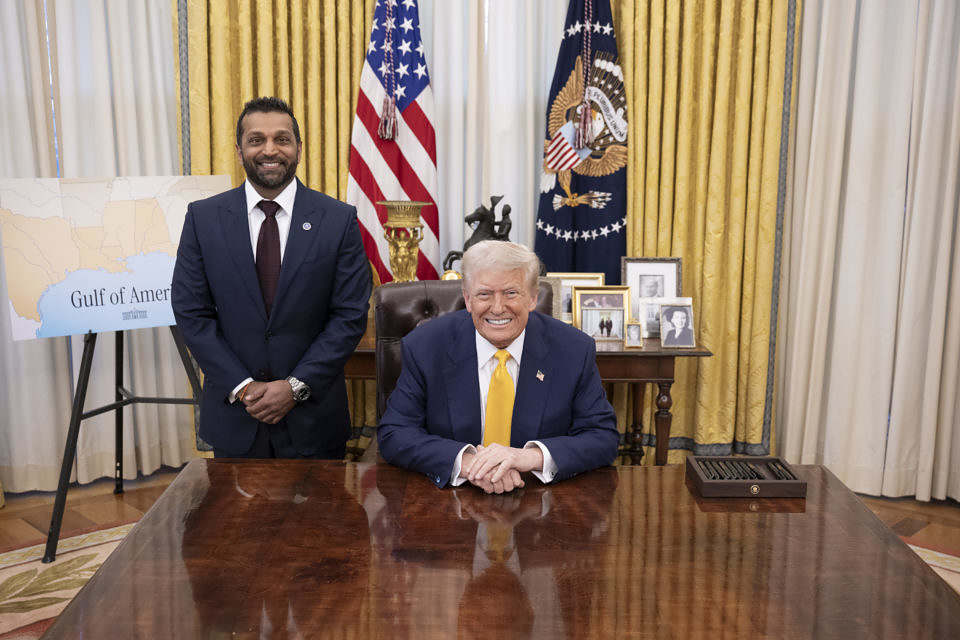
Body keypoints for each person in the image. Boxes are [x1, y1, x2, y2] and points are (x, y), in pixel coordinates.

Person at [171, 96, 372, 459]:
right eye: (256, 140)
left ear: (299, 149)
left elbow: (349, 316)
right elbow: (191, 313)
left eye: (282, 139)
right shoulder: (203, 218)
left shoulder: (338, 220)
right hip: (236, 417)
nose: (269, 150)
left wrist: (295, 387)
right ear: (239, 151)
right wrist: (243, 387)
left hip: (314, 422)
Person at [377, 240, 619, 493]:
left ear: (533, 298)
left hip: (539, 497)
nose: (498, 308)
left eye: (511, 293)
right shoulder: (426, 346)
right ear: (468, 299)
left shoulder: (573, 349)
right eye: (484, 294)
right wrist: (468, 464)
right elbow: (395, 433)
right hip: (450, 499)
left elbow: (602, 437)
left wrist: (529, 457)